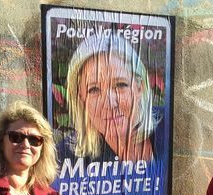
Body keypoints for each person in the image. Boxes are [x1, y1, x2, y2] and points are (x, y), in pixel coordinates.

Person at [64, 33, 162, 163]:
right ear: (80, 96)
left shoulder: (172, 128)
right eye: (94, 89)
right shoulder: (64, 158)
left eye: (121, 85)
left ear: (140, 87)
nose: (109, 103)